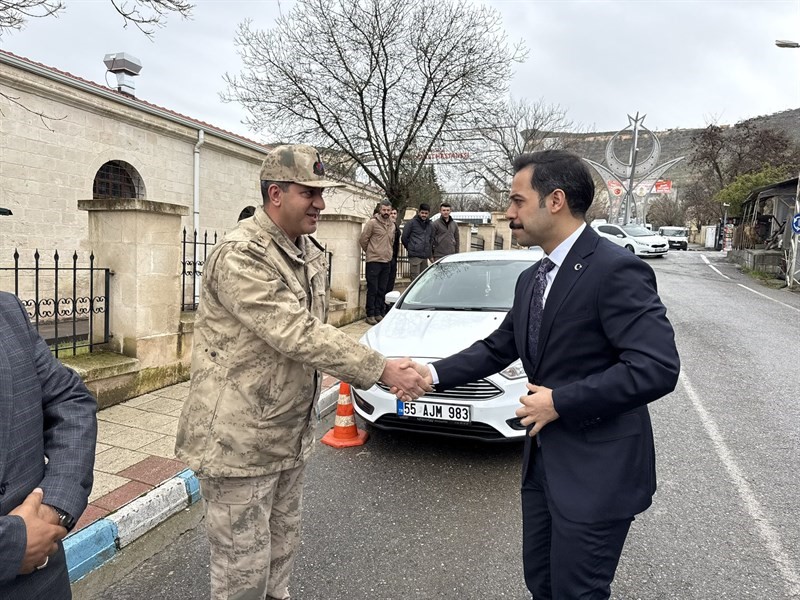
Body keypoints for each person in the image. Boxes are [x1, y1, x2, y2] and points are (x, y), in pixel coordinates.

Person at [416, 150, 680, 599]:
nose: (508, 212)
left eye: (518, 201)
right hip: (542, 467)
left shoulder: (615, 270)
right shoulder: (533, 276)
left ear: (554, 200)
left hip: (597, 474)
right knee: (542, 583)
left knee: (577, 593)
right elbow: (499, 347)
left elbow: (657, 367)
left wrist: (560, 401)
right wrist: (428, 375)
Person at [175, 144, 430, 600]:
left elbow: (312, 331)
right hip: (240, 442)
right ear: (275, 193)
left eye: (321, 192)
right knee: (242, 572)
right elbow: (295, 332)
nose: (320, 203)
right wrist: (380, 368)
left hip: (285, 434)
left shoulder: (303, 249)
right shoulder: (242, 254)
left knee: (280, 552)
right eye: (309, 193)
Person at [0, 291, 97, 600]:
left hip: (42, 584)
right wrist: (12, 546)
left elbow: (68, 398)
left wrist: (54, 505)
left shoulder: (7, 310)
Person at [359, 199, 395, 325]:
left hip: (387, 261)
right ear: (380, 210)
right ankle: (370, 314)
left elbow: (392, 242)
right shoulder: (372, 223)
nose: (386, 212)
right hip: (374, 261)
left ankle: (379, 312)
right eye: (384, 210)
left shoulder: (392, 225)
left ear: (391, 211)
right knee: (373, 289)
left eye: (388, 210)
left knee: (382, 289)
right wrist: (370, 252)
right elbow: (363, 239)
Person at [401, 203, 433, 280]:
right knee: (415, 279)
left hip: (424, 257)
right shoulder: (411, 223)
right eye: (422, 213)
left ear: (428, 213)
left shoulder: (430, 224)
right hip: (415, 257)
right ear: (419, 212)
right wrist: (411, 248)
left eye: (426, 213)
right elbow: (404, 237)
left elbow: (431, 239)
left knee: (423, 279)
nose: (424, 215)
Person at [383, 207, 401, 314]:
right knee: (384, 285)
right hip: (386, 258)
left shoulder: (396, 228)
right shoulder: (387, 227)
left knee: (391, 284)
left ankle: (387, 308)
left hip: (394, 258)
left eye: (395, 213)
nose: (393, 215)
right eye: (391, 213)